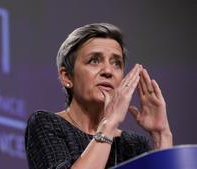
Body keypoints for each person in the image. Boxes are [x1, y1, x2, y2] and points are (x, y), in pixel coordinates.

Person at [25, 23, 173, 169]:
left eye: (116, 63)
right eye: (94, 60)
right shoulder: (46, 124)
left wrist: (161, 134)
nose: (108, 71)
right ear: (67, 77)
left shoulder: (134, 144)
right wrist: (108, 124)